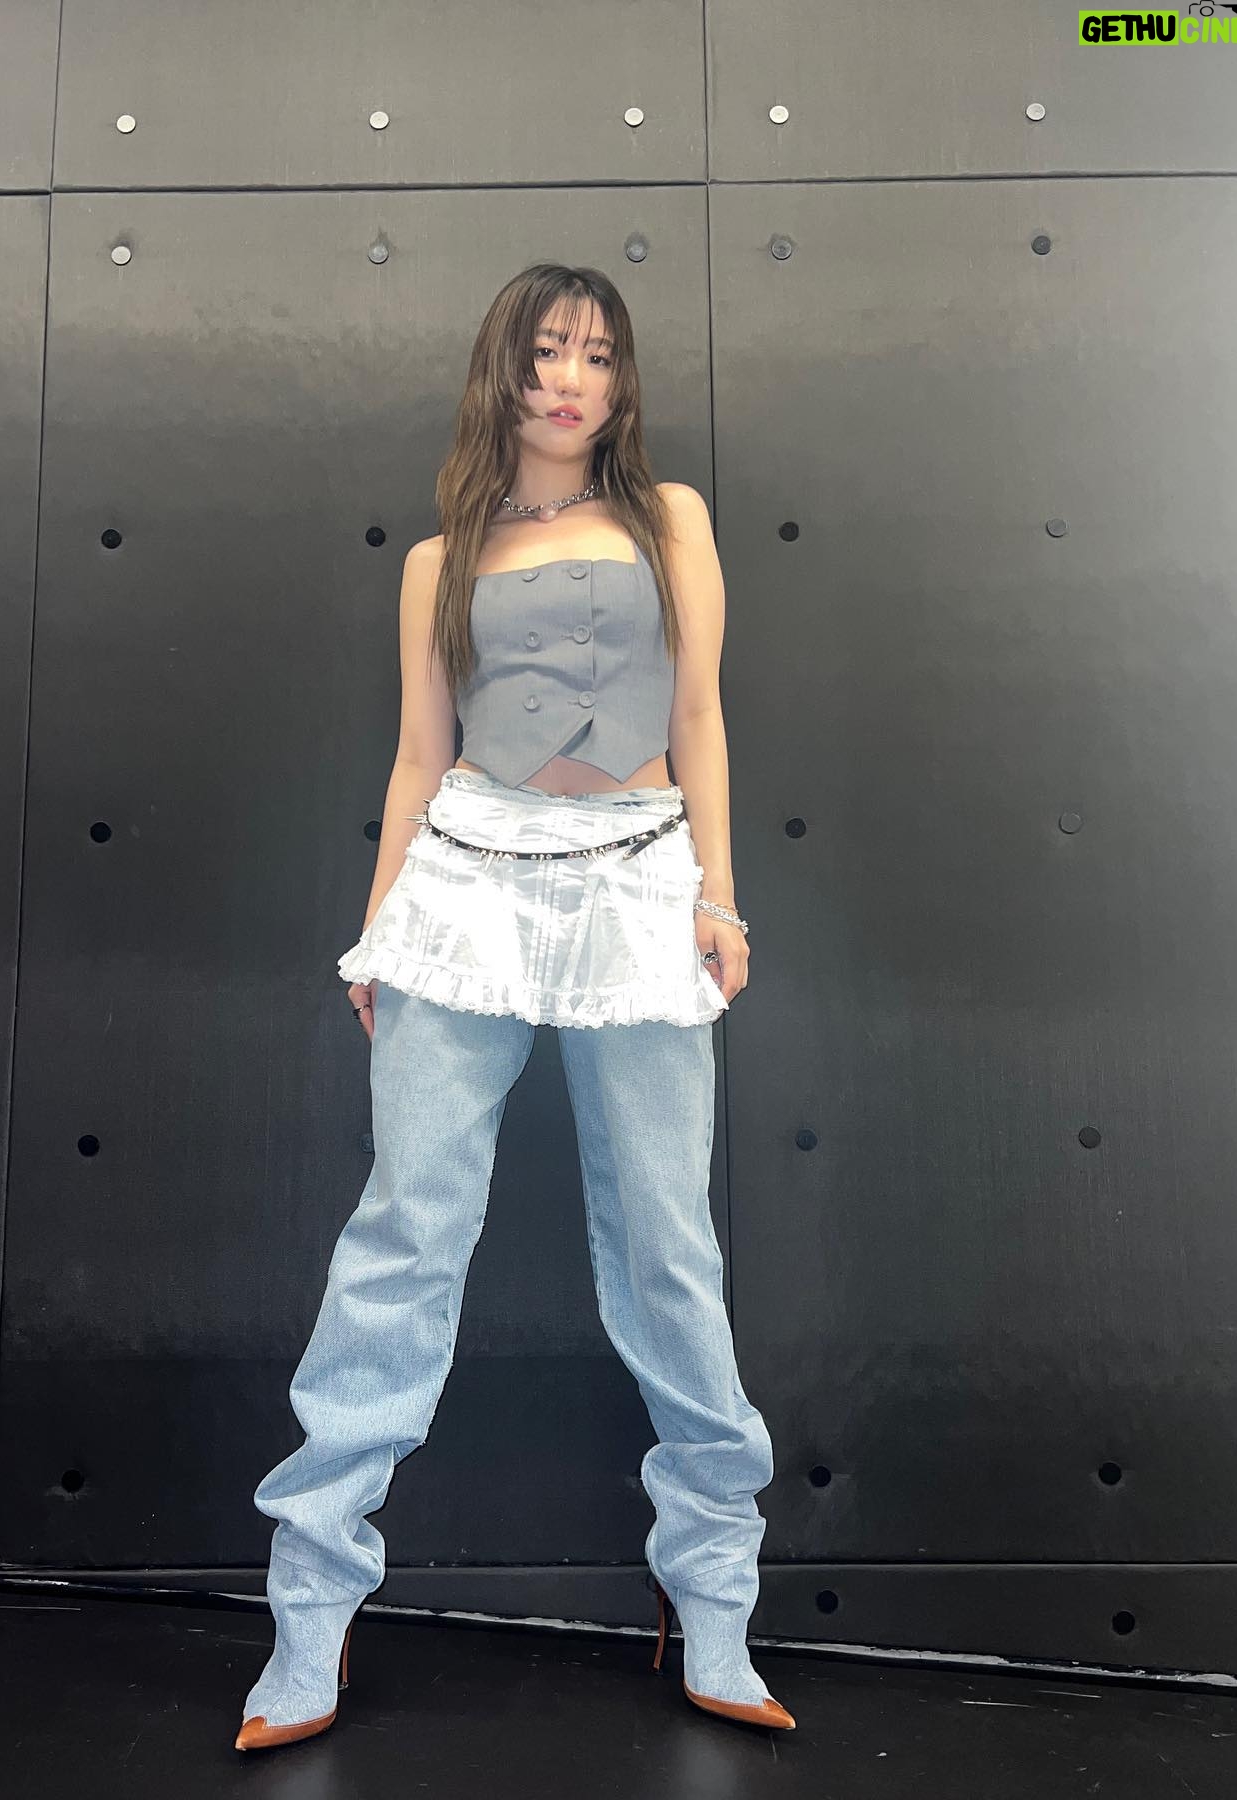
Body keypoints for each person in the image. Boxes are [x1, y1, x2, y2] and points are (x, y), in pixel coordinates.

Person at [235, 263, 795, 1751]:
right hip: (468, 883)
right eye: (547, 351)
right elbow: (419, 759)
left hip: (638, 876)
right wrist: (379, 934)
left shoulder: (673, 520)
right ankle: (311, 1604)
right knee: (407, 1231)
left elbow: (700, 714)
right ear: (505, 369)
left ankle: (713, 1589)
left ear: (622, 382)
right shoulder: (441, 558)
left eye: (598, 355)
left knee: (667, 1239)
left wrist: (719, 896)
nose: (570, 379)